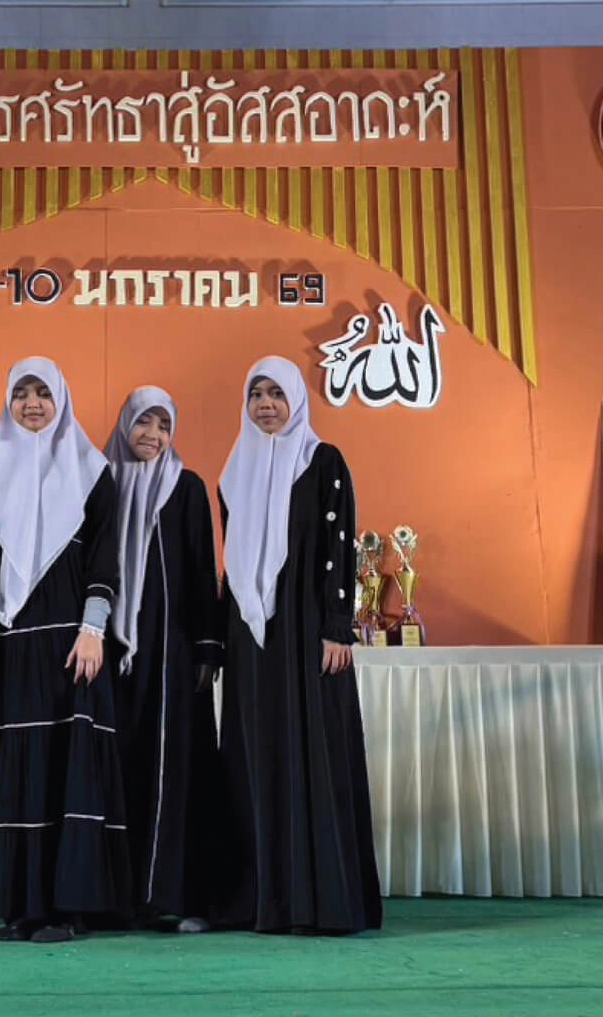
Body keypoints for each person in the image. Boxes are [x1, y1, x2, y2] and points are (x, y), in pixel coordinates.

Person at [0, 358, 131, 943]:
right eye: (21, 393)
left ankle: (67, 909)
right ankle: (21, 905)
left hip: (70, 641)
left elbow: (105, 556)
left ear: (61, 401)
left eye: (43, 393)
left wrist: (93, 628)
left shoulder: (92, 469)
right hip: (5, 642)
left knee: (64, 766)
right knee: (14, 769)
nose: (32, 404)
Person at [213, 356, 381, 935]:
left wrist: (338, 624)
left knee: (312, 750)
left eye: (277, 394)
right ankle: (259, 899)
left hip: (307, 631)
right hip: (250, 636)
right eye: (256, 394)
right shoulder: (234, 471)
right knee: (255, 753)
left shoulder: (323, 461)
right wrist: (220, 642)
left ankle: (318, 901)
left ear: (296, 401)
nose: (266, 404)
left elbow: (340, 544)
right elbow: (233, 564)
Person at [102, 387, 224, 933]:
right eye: (143, 423)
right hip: (109, 650)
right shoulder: (99, 482)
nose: (152, 435)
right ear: (124, 425)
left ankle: (173, 895)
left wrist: (208, 646)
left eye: (163, 426)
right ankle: (113, 898)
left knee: (173, 766)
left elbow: (202, 568)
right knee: (115, 764)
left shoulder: (186, 486)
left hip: (172, 651)